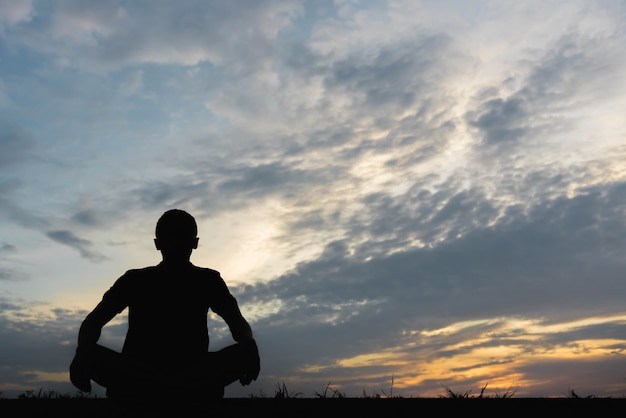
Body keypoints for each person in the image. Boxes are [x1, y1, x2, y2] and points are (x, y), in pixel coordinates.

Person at [69, 209, 260, 400]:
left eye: (183, 236)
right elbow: (93, 323)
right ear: (158, 243)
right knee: (89, 352)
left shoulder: (208, 280)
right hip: (141, 371)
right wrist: (83, 352)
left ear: (194, 242)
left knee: (245, 349)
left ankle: (162, 389)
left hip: (188, 371)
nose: (176, 242)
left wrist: (248, 345)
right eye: (170, 236)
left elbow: (238, 324)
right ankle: (179, 390)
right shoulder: (134, 280)